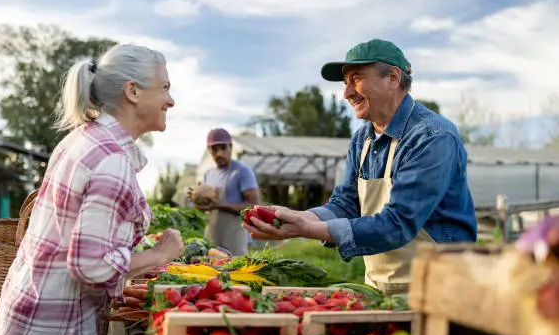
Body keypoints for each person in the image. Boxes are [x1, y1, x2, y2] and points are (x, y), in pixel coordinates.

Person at [0, 44, 184, 335]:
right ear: (133, 91)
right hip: (56, 328)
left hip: (41, 314)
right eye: (165, 88)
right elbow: (88, 266)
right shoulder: (110, 160)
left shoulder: (85, 139)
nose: (171, 101)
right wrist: (158, 255)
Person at [243, 39, 477, 295]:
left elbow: (399, 223)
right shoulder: (363, 139)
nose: (346, 94)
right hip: (380, 288)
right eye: (345, 83)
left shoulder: (432, 136)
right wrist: (299, 217)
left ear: (392, 77)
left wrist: (307, 229)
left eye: (356, 79)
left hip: (440, 290)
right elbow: (346, 204)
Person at [189, 128, 261, 256]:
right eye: (214, 149)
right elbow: (207, 209)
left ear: (231, 147)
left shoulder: (242, 171)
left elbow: (254, 207)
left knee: (235, 273)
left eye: (223, 148)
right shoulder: (208, 174)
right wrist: (197, 200)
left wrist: (219, 205)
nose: (219, 153)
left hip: (235, 236)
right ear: (209, 150)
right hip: (213, 235)